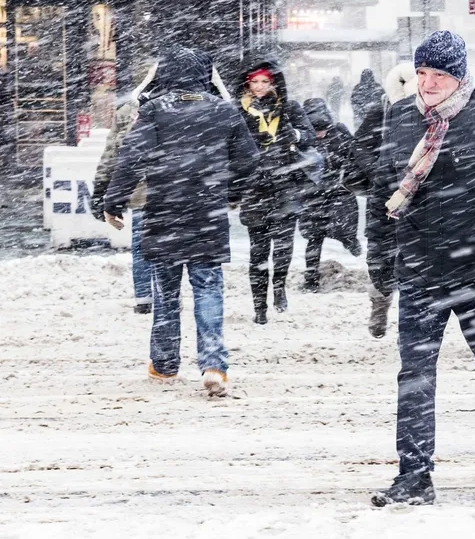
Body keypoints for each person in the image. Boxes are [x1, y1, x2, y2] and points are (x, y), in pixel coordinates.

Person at [367, 31, 475, 506]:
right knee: (415, 376)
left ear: (460, 77)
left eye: (439, 75)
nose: (427, 83)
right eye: (422, 72)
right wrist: (380, 259)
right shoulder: (401, 117)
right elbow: (382, 194)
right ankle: (414, 475)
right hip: (420, 268)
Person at [104, 47, 259, 396]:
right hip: (207, 213)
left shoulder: (155, 111)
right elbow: (249, 160)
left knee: (166, 294)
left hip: (164, 212)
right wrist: (230, 192)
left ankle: (164, 364)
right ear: (205, 74)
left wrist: (114, 201)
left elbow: (131, 158)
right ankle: (214, 364)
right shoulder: (224, 110)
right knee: (208, 288)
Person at [234, 58, 317, 325]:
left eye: (265, 82)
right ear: (247, 84)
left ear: (273, 83)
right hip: (254, 188)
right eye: (254, 82)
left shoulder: (288, 107)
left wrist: (295, 135)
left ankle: (279, 286)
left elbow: (310, 135)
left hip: (285, 186)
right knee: (258, 251)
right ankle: (259, 307)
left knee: (282, 248)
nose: (259, 87)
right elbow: (229, 146)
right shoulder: (240, 111)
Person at [352, 61, 419, 338]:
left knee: (415, 258)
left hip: (418, 195)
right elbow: (359, 146)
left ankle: (412, 319)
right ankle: (380, 306)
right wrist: (381, 169)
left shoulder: (430, 114)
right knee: (381, 257)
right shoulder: (381, 110)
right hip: (386, 195)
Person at [92, 60, 160, 315]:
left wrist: (103, 191)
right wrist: (102, 191)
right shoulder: (130, 111)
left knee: (145, 246)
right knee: (148, 246)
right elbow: (113, 155)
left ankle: (147, 296)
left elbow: (113, 155)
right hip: (154, 191)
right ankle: (147, 295)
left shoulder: (134, 110)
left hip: (151, 191)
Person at [301, 97, 362, 291]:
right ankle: (311, 280)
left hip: (333, 190)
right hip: (317, 193)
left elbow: (355, 154)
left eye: (323, 131)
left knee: (330, 230)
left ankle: (349, 241)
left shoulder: (338, 131)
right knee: (315, 237)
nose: (319, 135)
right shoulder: (303, 135)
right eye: (316, 132)